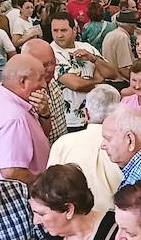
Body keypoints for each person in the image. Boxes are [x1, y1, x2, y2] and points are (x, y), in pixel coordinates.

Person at [50, 85, 125, 215]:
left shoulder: (62, 143)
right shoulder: (125, 144)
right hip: (115, 217)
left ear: (86, 113)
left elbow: (50, 187)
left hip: (73, 216)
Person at [0, 54, 50, 184]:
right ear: (23, 82)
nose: (44, 84)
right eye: (40, 78)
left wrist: (44, 114)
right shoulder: (14, 118)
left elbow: (41, 135)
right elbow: (11, 172)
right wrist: (41, 184)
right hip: (27, 191)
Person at [52, 11, 113, 133]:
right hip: (69, 121)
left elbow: (112, 73)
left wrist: (94, 59)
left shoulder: (87, 47)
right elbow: (76, 85)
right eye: (55, 30)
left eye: (63, 30)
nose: (59, 35)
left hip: (97, 117)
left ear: (74, 30)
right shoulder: (51, 52)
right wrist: (98, 81)